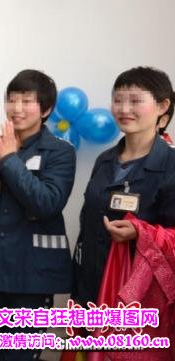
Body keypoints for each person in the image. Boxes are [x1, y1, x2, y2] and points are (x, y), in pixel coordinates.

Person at [0, 69, 76, 361]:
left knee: (20, 356)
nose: (17, 108)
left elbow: (46, 203)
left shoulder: (60, 152)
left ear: (46, 109)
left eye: (27, 101)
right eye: (11, 100)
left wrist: (10, 161)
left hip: (33, 274)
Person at [72, 66, 175, 308]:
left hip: (142, 299)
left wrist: (140, 232)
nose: (124, 109)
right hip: (91, 290)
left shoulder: (171, 164)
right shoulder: (105, 159)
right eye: (118, 100)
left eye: (135, 100)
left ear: (162, 106)